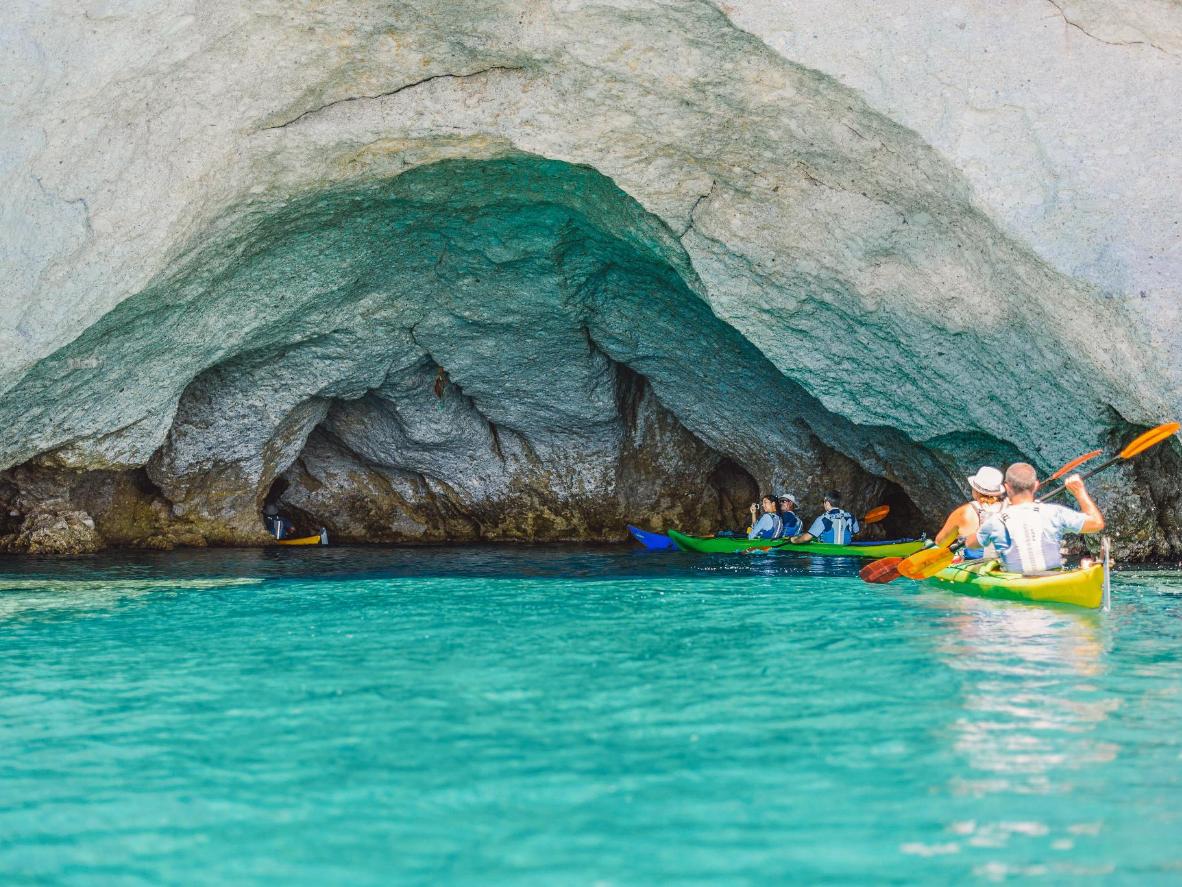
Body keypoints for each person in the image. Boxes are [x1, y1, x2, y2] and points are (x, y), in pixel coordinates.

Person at [967, 463, 1104, 574]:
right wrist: (1079, 492)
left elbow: (970, 543)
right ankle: (1084, 572)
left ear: (1007, 488)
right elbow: (1097, 523)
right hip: (1053, 578)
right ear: (1036, 486)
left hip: (1015, 582)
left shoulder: (996, 521)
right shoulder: (1055, 512)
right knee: (1082, 564)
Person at [935, 466, 1005, 559]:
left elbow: (940, 543)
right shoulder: (1011, 509)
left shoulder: (965, 512)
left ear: (976, 490)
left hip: (976, 567)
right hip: (1006, 565)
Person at [792, 491, 859, 544]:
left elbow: (806, 538)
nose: (823, 504)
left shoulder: (823, 518)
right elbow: (856, 532)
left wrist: (795, 540)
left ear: (827, 503)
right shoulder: (851, 516)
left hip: (826, 556)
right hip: (846, 552)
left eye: (823, 502)